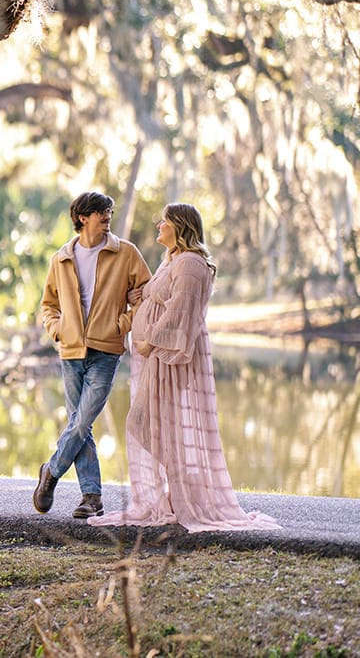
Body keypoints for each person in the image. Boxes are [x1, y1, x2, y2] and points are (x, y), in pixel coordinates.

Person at [89, 204, 279, 532]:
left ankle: (187, 488)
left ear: (179, 226)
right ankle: (183, 488)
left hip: (170, 357)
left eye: (164, 220)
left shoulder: (191, 263)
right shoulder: (173, 261)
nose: (158, 224)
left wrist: (150, 342)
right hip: (159, 357)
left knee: (144, 421)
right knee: (152, 423)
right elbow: (162, 297)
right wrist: (142, 296)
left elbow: (182, 311)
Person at [34, 191, 151, 519]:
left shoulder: (125, 253)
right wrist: (57, 329)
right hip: (70, 351)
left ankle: (52, 471)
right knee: (80, 424)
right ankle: (91, 498)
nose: (107, 216)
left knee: (83, 419)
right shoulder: (61, 258)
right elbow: (48, 304)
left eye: (109, 211)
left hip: (106, 350)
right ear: (83, 217)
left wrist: (122, 324)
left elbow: (147, 293)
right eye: (101, 212)